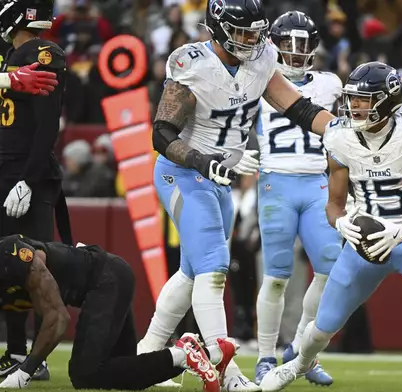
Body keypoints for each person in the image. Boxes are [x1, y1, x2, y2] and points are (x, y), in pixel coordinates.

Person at [136, 1, 336, 391]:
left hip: (221, 178)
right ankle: (225, 371)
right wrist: (202, 160)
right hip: (183, 172)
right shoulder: (191, 63)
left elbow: (298, 107)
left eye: (256, 31)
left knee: (192, 272)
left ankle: (148, 354)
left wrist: (342, 132)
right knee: (214, 267)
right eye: (243, 32)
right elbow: (161, 134)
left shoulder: (261, 59)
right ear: (218, 28)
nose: (252, 40)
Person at [260, 61, 402, 392]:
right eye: (352, 99)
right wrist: (341, 223)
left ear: (386, 100)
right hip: (363, 245)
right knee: (320, 330)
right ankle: (298, 364)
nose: (354, 106)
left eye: (363, 99)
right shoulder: (340, 138)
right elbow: (334, 204)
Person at [0, 235, 236, 391]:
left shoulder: (14, 255)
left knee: (85, 374)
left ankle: (184, 353)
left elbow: (58, 318)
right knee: (123, 372)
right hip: (106, 280)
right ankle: (202, 354)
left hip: (106, 278)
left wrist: (26, 370)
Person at [253, 11, 340, 386]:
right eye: (289, 43)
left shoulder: (330, 84)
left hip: (316, 183)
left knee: (331, 269)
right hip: (276, 182)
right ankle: (264, 356)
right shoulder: (258, 80)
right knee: (275, 277)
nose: (296, 51)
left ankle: (300, 349)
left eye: (303, 44)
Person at [0, 0, 69, 380]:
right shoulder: (8, 54)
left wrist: (29, 177)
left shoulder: (44, 53)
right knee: (7, 264)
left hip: (27, 173)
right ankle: (14, 351)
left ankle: (36, 358)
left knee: (33, 263)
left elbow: (46, 126)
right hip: (4, 168)